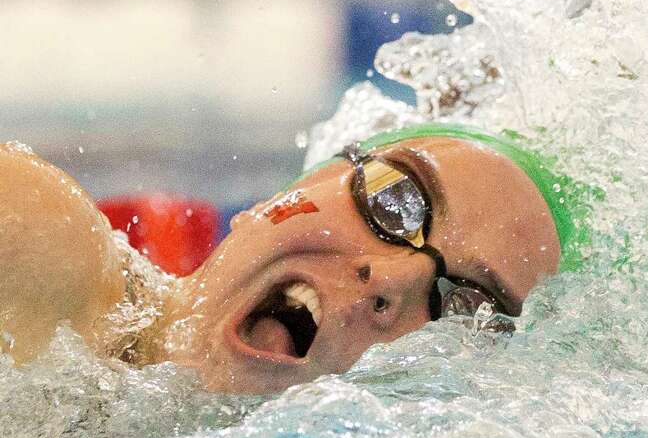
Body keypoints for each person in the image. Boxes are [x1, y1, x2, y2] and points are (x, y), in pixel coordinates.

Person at [0, 125, 584, 393]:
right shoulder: (40, 243)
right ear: (290, 190)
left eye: (466, 306)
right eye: (398, 201)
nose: (394, 276)